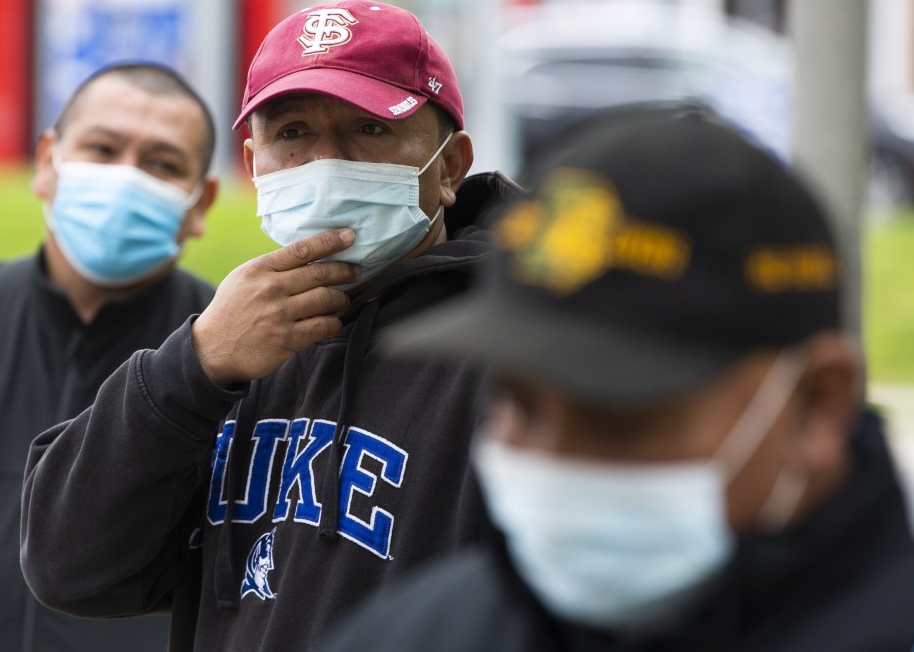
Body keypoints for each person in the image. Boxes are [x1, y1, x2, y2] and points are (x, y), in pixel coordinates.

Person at [19, 0, 522, 652]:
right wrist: (194, 370)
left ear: (449, 167)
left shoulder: (516, 350)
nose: (326, 162)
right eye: (292, 133)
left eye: (369, 130)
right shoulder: (228, 346)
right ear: (254, 168)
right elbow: (71, 568)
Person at [318, 104, 914, 652]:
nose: (546, 463)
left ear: (816, 404)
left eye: (618, 414)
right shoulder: (423, 633)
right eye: (518, 404)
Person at [0, 62, 219, 651]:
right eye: (102, 148)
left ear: (202, 200)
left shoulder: (229, 361)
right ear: (48, 162)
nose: (126, 178)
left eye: (163, 164)